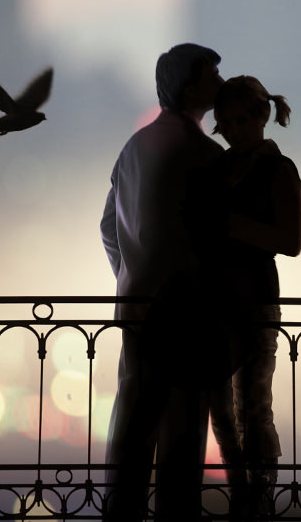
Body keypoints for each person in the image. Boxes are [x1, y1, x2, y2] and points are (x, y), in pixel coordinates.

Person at [100, 42, 225, 521]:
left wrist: (130, 275)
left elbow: (108, 227)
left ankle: (120, 513)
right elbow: (216, 237)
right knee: (182, 427)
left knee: (132, 422)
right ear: (191, 86)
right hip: (185, 310)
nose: (219, 81)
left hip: (136, 308)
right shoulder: (204, 154)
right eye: (212, 74)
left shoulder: (134, 147)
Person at [204, 75, 301, 519]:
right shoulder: (227, 168)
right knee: (225, 408)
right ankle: (246, 492)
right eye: (227, 122)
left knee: (252, 405)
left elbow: (292, 239)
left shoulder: (277, 169)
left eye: (241, 120)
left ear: (262, 117)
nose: (234, 129)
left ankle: (257, 497)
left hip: (253, 301)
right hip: (222, 300)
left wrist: (229, 227)